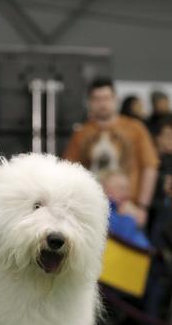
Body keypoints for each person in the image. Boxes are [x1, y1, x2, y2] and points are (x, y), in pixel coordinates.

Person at [63, 77, 159, 228]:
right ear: (89, 102)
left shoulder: (135, 129)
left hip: (128, 209)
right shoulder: (81, 134)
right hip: (93, 210)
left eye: (107, 98)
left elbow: (150, 167)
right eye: (97, 99)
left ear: (115, 99)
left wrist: (142, 207)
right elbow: (69, 172)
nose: (102, 103)